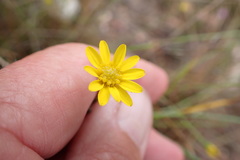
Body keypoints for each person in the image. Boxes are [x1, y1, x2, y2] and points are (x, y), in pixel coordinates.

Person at [0, 43, 184, 160]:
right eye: (110, 71)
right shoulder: (97, 77)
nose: (111, 73)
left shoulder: (115, 84)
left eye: (115, 72)